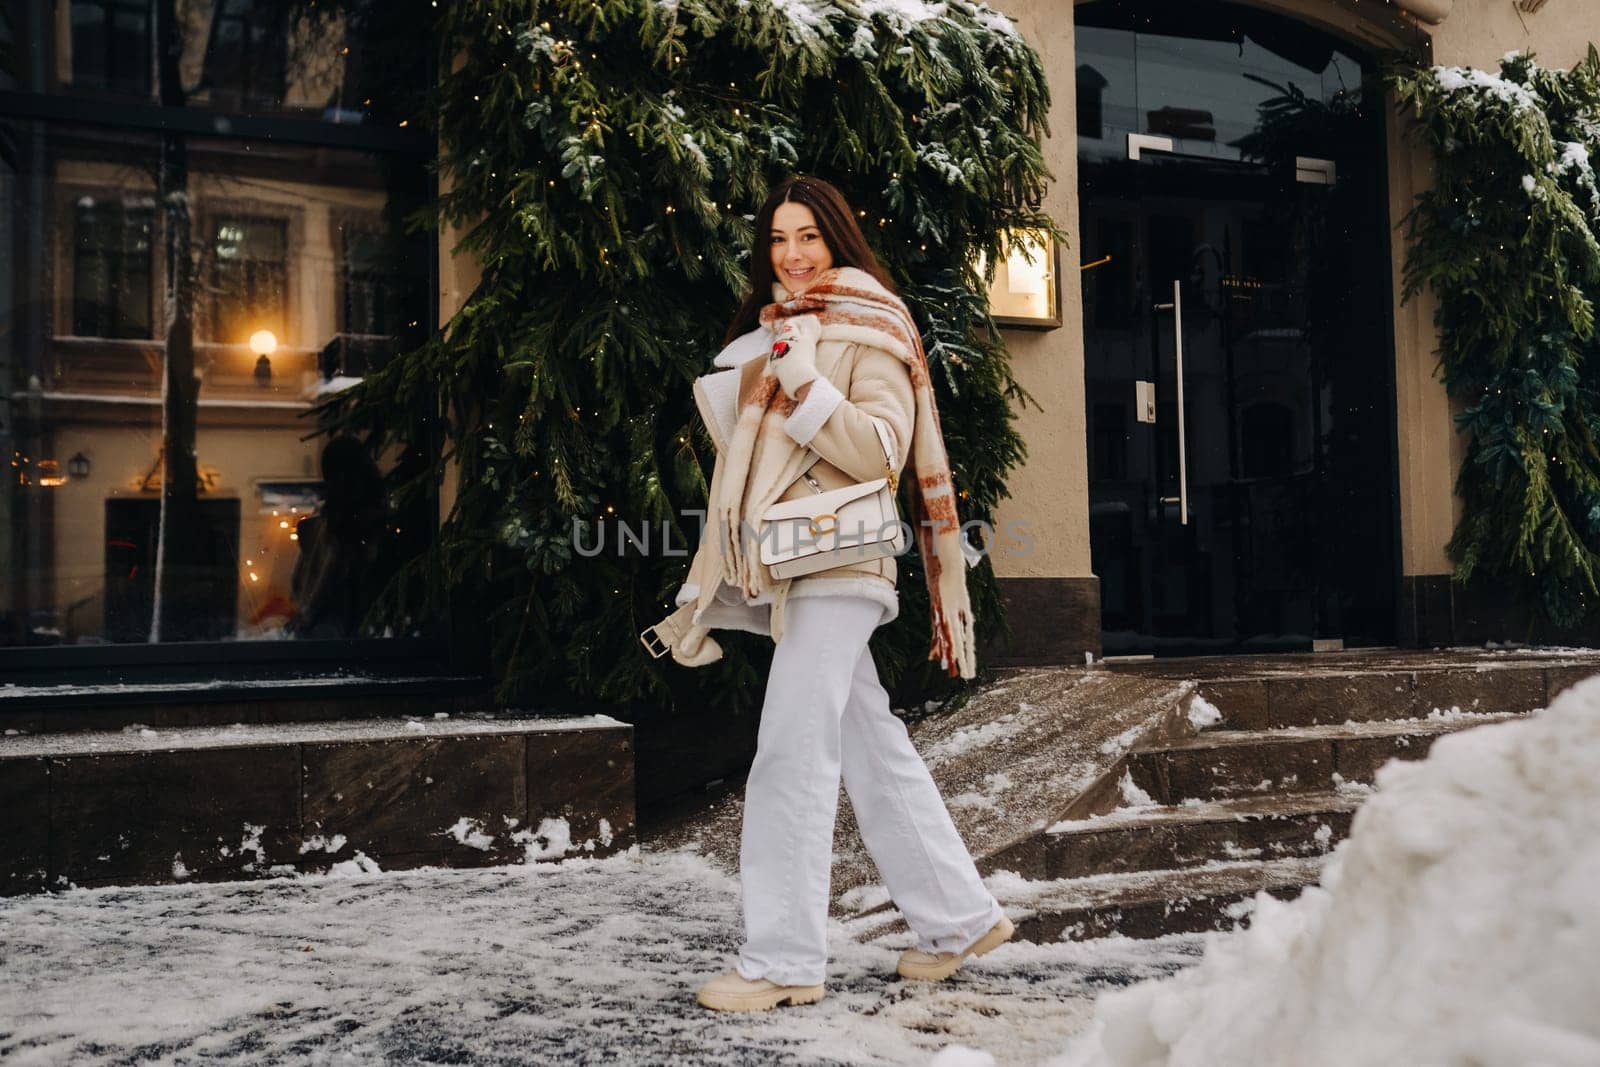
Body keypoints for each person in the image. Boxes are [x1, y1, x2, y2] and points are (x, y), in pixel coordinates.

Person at [640, 175, 1011, 1013]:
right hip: (796, 561)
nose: (793, 254)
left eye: (808, 236)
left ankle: (783, 958)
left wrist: (805, 383)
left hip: (839, 563)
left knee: (791, 754)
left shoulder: (872, 326)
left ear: (838, 239)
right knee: (867, 741)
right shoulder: (783, 329)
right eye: (778, 238)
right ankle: (957, 916)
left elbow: (882, 449)